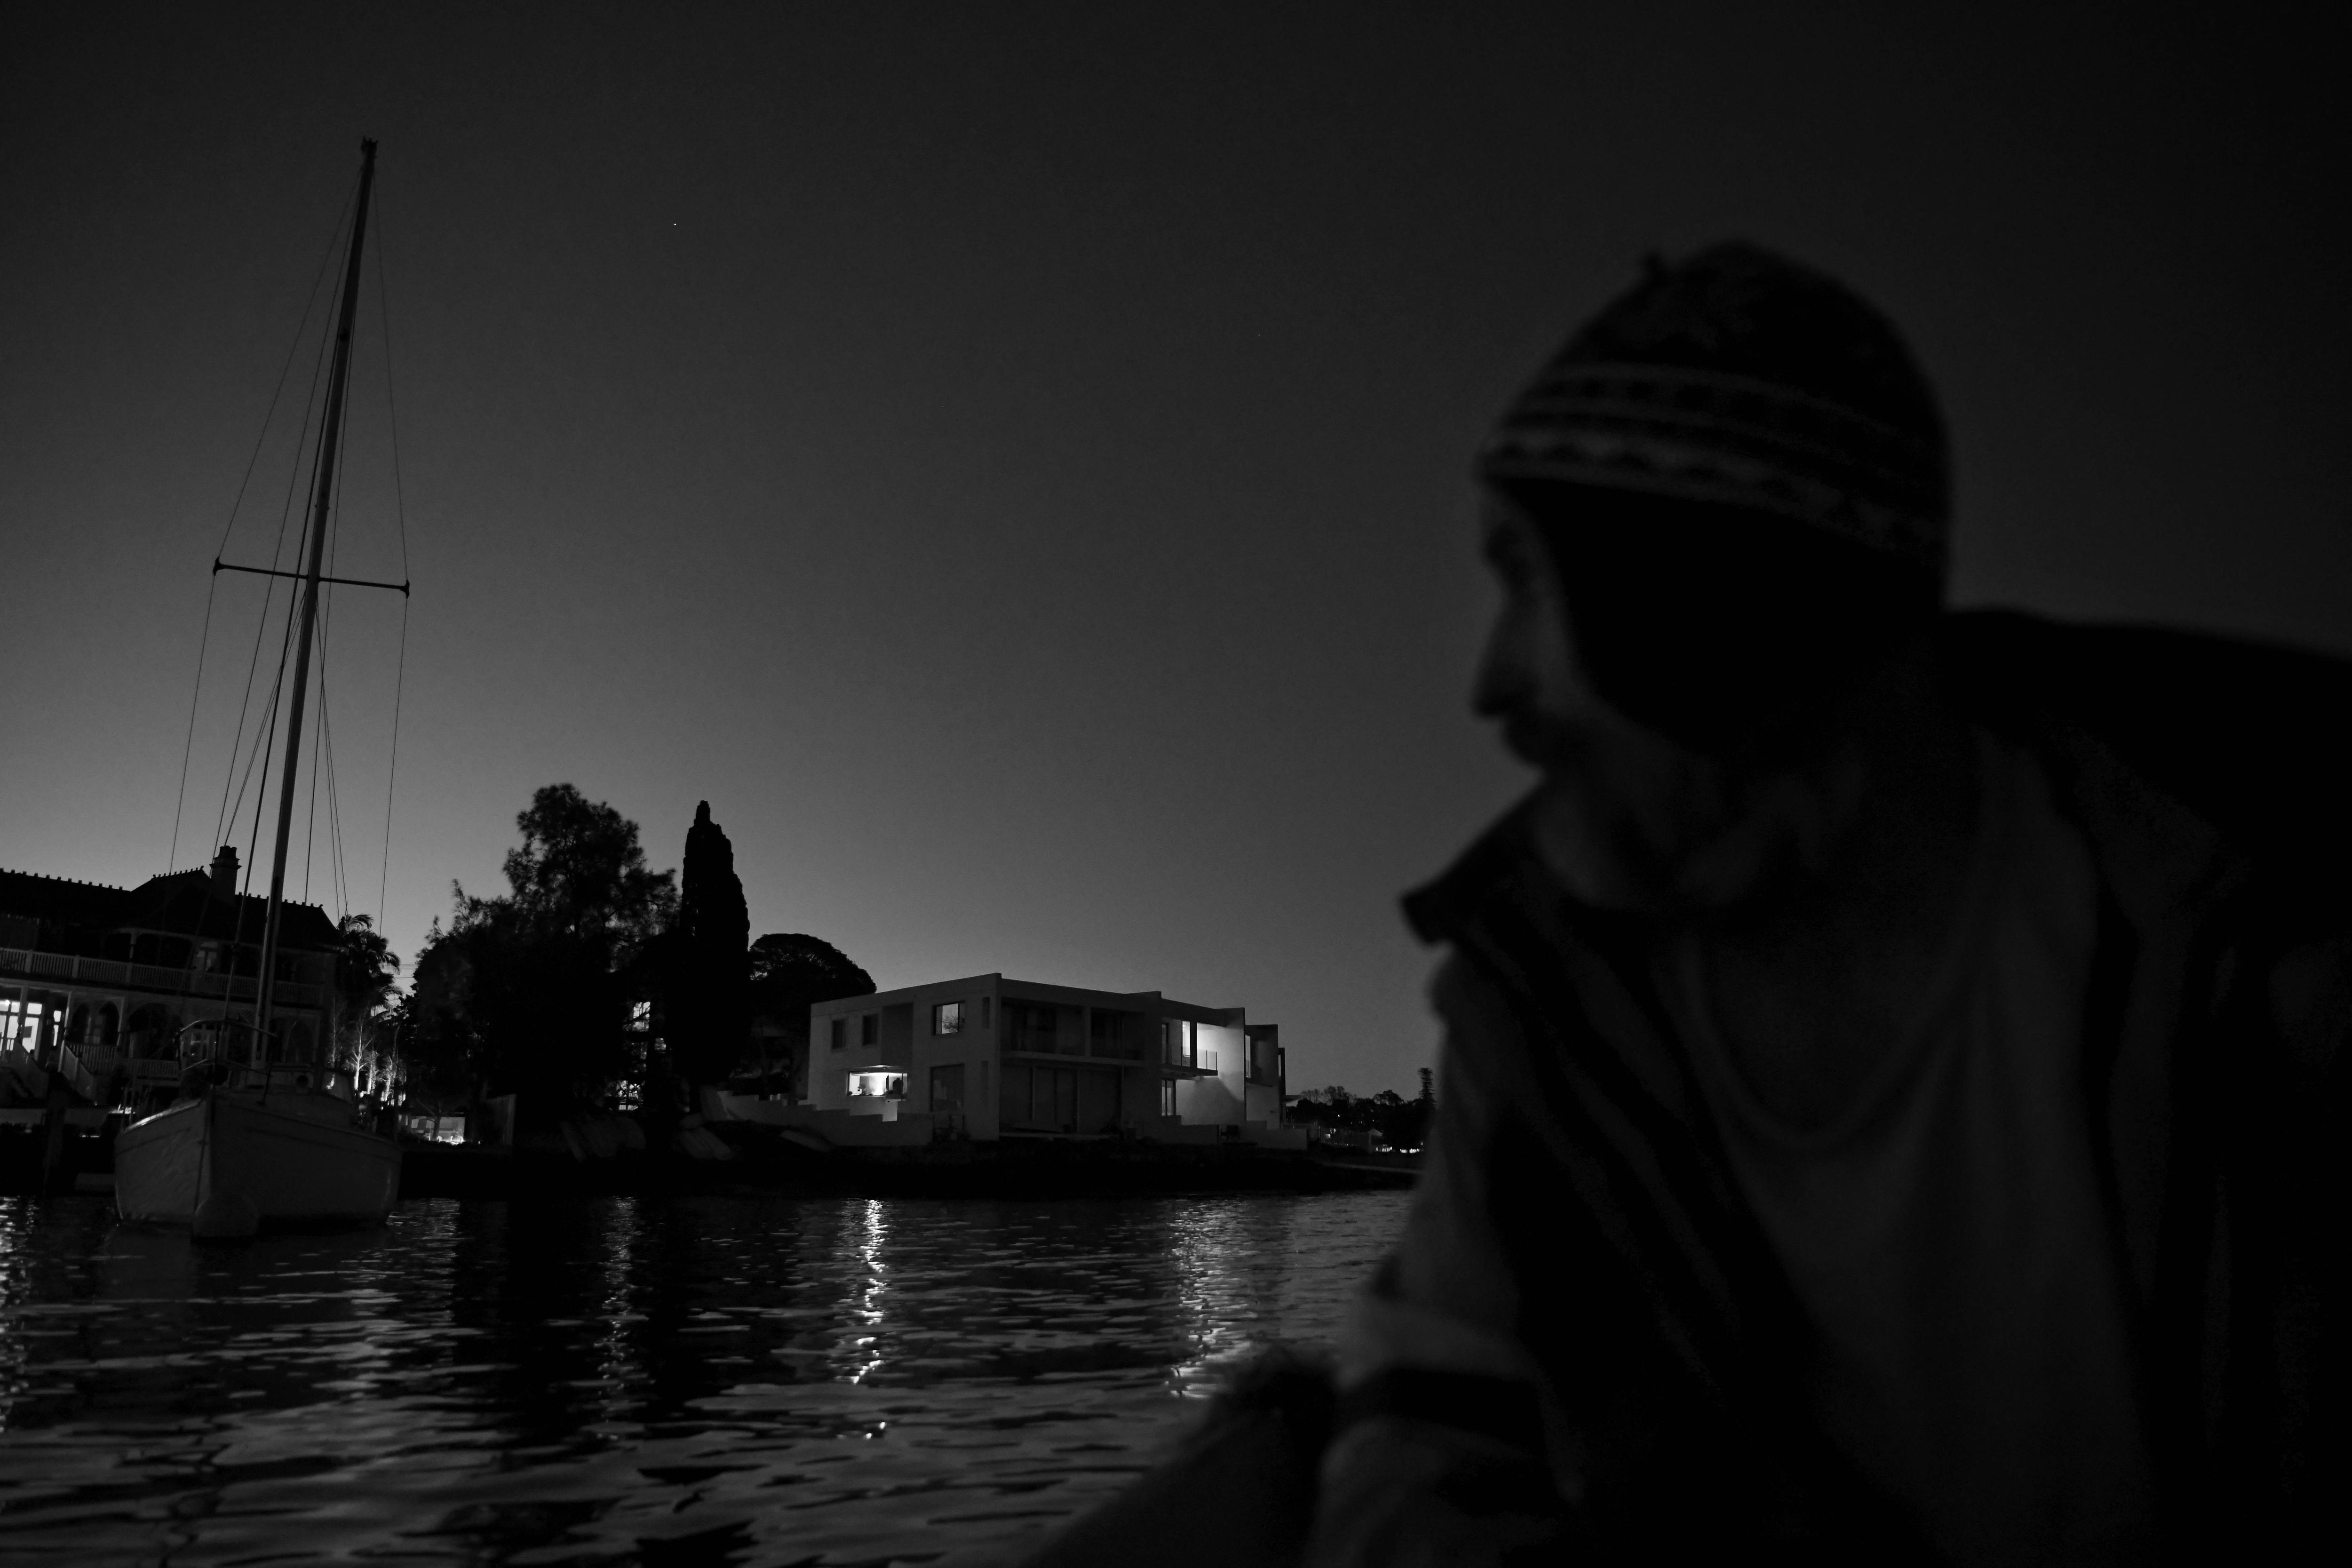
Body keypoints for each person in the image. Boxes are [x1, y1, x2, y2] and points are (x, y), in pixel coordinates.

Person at [1022, 244, 2346, 1566]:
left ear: (1718, 603)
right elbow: (1441, 1411)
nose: (1489, 687)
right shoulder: (1533, 990)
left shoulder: (2254, 920)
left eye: (1534, 581)